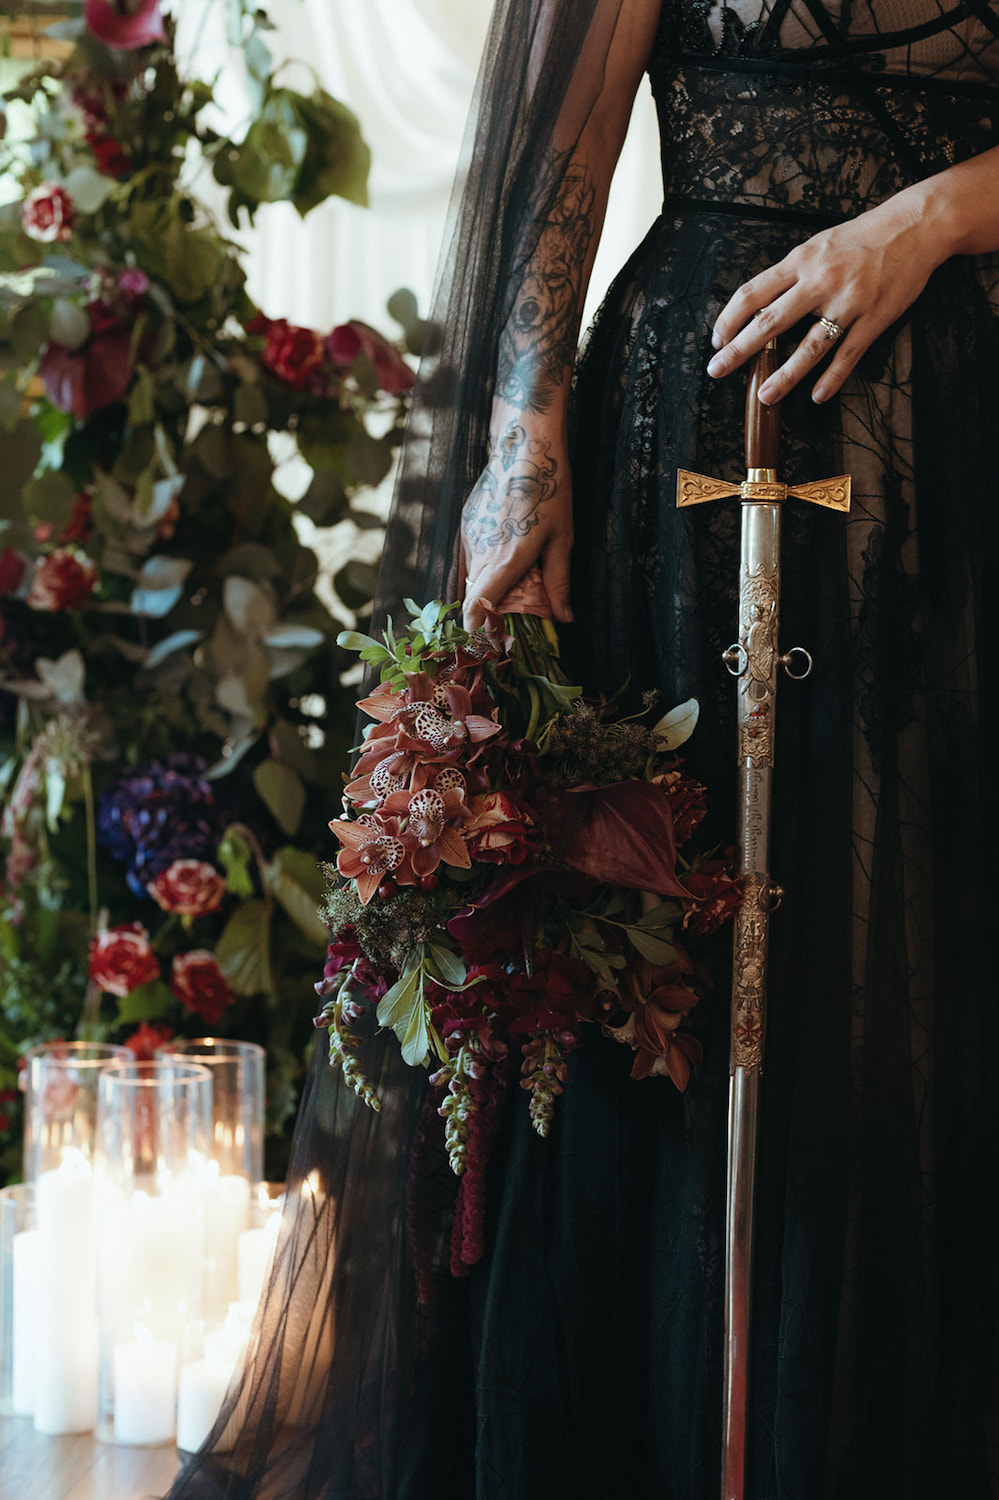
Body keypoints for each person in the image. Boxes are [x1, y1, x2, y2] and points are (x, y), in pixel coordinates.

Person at [168, 3, 999, 1497]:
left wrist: (935, 218)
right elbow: (570, 116)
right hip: (688, 418)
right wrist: (521, 427)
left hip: (969, 426)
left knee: (930, 957)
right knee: (663, 956)